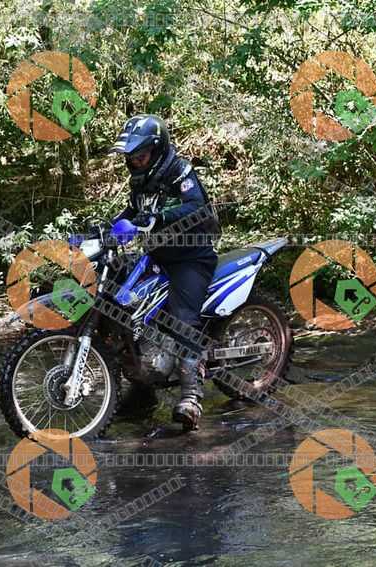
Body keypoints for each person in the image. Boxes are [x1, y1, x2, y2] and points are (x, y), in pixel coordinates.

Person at [109, 114, 219, 430]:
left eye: (141, 156)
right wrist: (110, 226)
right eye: (132, 157)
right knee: (124, 311)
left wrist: (156, 219)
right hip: (156, 256)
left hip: (191, 257)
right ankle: (142, 391)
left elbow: (196, 207)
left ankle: (191, 396)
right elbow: (133, 211)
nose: (136, 162)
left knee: (182, 320)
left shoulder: (180, 171)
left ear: (157, 150)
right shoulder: (141, 181)